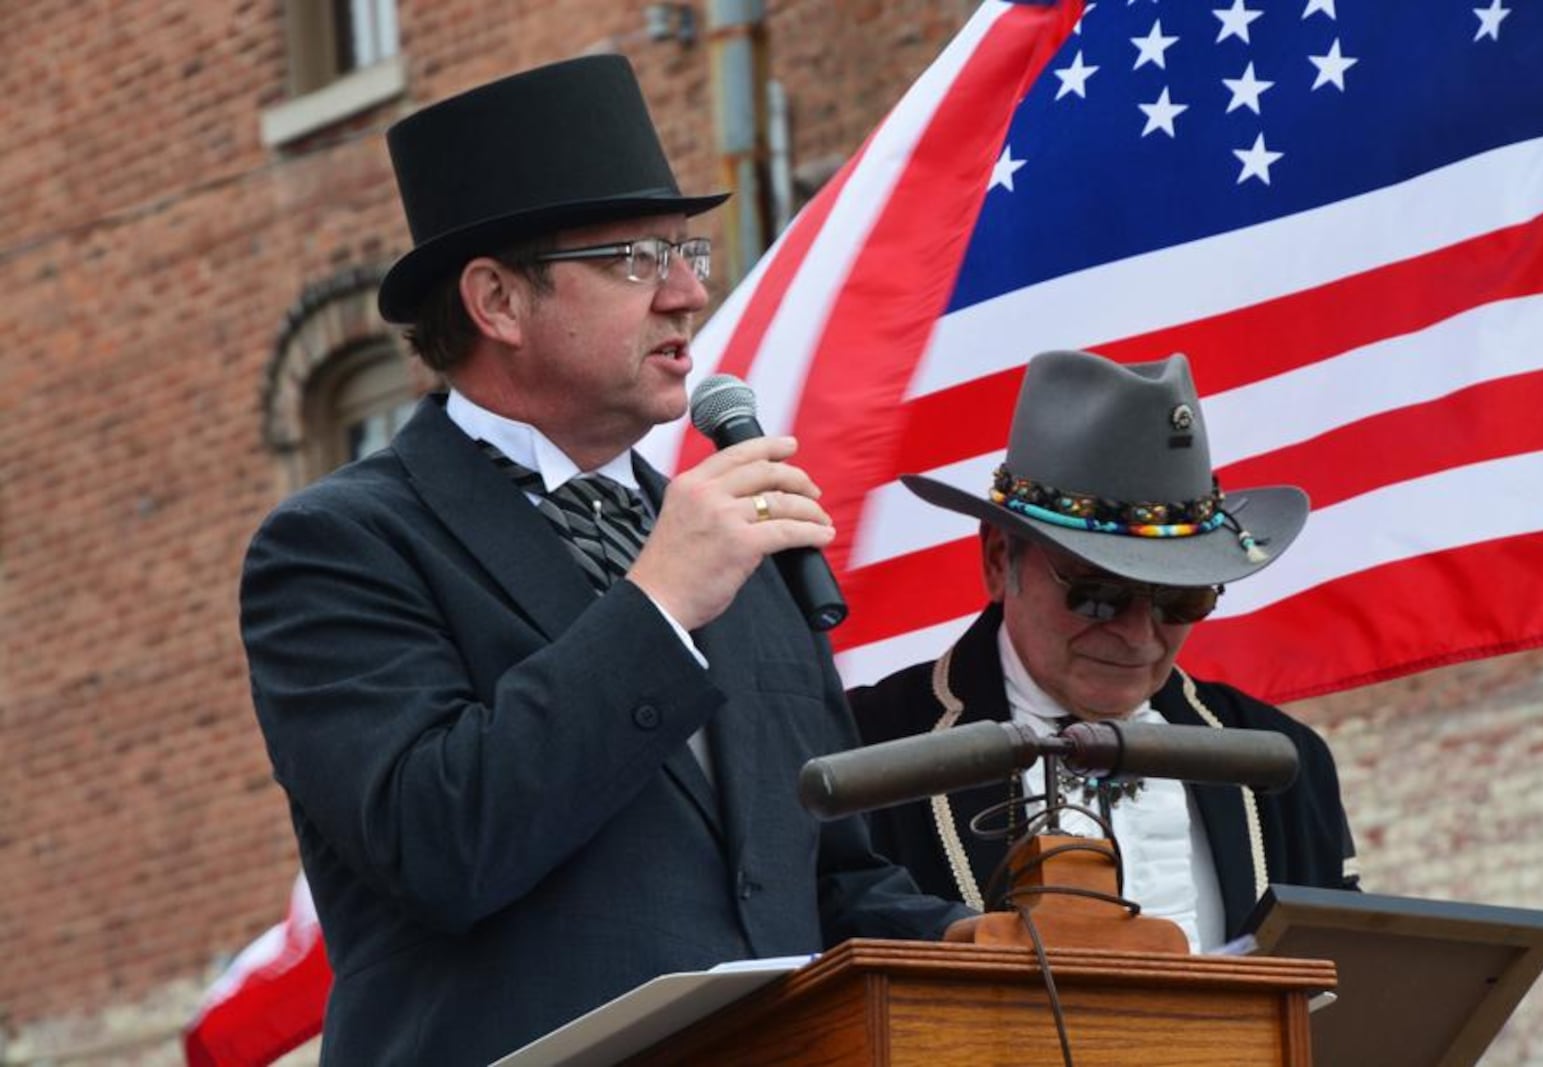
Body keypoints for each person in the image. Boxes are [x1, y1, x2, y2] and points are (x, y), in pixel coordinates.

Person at [239, 56, 968, 1066]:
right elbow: (442, 839)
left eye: (687, 252)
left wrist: (984, 952)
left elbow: (827, 871)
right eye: (635, 259)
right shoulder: (340, 545)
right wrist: (659, 600)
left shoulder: (718, 539)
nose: (684, 295)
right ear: (496, 299)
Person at [849, 349, 1359, 953]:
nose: (1139, 636)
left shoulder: (1282, 761)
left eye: (1181, 601)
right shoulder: (867, 746)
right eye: (1097, 595)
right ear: (997, 561)